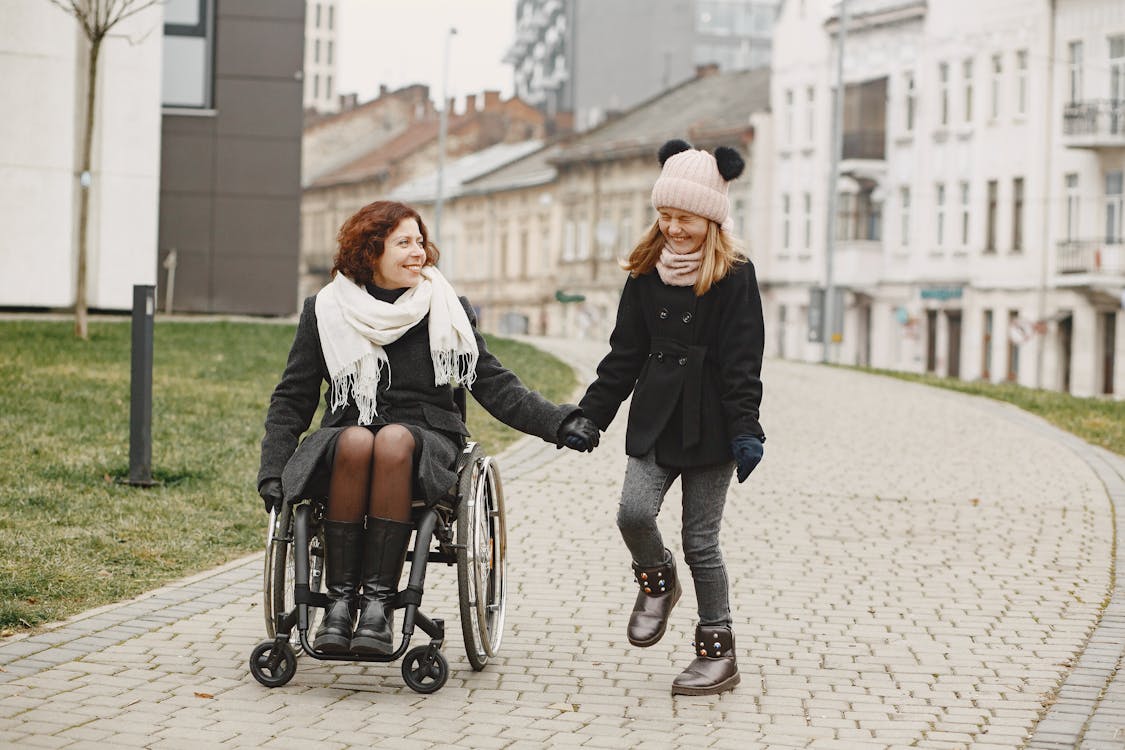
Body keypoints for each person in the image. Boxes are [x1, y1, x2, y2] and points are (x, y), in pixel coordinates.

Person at [257, 200, 599, 655]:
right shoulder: (324, 310)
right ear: (371, 251)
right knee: (360, 438)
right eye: (404, 243)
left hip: (427, 443)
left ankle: (378, 607)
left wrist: (559, 422)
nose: (419, 252)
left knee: (394, 438)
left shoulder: (445, 307)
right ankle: (340, 605)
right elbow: (292, 397)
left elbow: (493, 383)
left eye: (420, 241)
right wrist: (274, 469)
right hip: (347, 440)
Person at [576, 140, 766, 696]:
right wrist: (592, 416)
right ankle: (657, 581)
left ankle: (717, 652)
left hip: (712, 426)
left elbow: (742, 361)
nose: (674, 228)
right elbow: (623, 355)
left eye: (685, 217)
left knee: (701, 542)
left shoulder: (735, 275)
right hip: (656, 419)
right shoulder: (643, 271)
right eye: (665, 215)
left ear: (710, 217)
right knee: (633, 512)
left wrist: (747, 430)